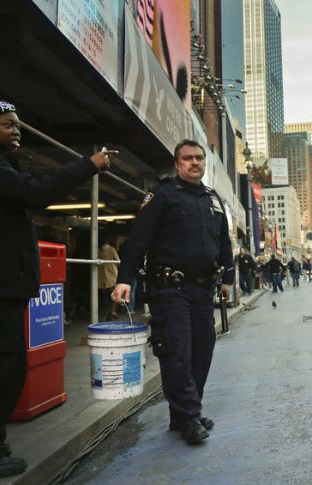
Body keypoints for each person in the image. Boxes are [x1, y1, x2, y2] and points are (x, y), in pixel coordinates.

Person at [0, 98, 114, 478]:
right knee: (4, 367)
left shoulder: (3, 164)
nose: (16, 130)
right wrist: (87, 165)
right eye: (7, 124)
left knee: (8, 366)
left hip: (7, 286)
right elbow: (35, 193)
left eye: (18, 124)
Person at [111, 139, 234, 445]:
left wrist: (228, 278)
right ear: (178, 164)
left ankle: (185, 413)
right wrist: (125, 278)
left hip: (203, 290)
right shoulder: (162, 194)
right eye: (188, 158)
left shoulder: (213, 198)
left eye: (199, 158)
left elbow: (224, 244)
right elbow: (137, 240)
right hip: (170, 289)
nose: (195, 163)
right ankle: (189, 416)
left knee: (202, 351)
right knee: (177, 353)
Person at [98, 234, 121, 319]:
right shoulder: (111, 249)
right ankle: (112, 311)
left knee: (104, 296)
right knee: (114, 294)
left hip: (100, 277)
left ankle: (106, 312)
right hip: (112, 275)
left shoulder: (97, 250)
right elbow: (118, 261)